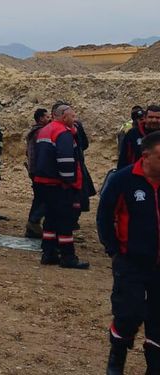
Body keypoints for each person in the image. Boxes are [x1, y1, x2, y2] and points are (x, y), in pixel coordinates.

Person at [97, 131, 160, 374]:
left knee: (158, 319)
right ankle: (117, 360)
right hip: (131, 262)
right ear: (146, 156)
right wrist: (114, 250)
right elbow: (104, 216)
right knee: (129, 313)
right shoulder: (123, 180)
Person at [33, 104, 90, 269]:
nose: (75, 119)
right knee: (65, 220)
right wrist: (71, 184)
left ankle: (49, 252)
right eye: (73, 116)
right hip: (59, 184)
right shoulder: (63, 133)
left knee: (50, 219)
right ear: (64, 117)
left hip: (44, 182)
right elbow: (65, 162)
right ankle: (68, 256)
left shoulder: (45, 130)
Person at [24, 108, 50, 238]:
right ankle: (33, 223)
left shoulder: (34, 132)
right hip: (39, 171)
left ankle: (32, 226)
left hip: (35, 170)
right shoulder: (40, 132)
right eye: (46, 117)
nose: (49, 119)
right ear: (40, 118)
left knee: (39, 198)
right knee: (44, 198)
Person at [117, 105, 160, 169]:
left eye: (157, 118)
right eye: (151, 117)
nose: (154, 120)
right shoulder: (132, 133)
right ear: (145, 118)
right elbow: (123, 158)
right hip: (135, 174)